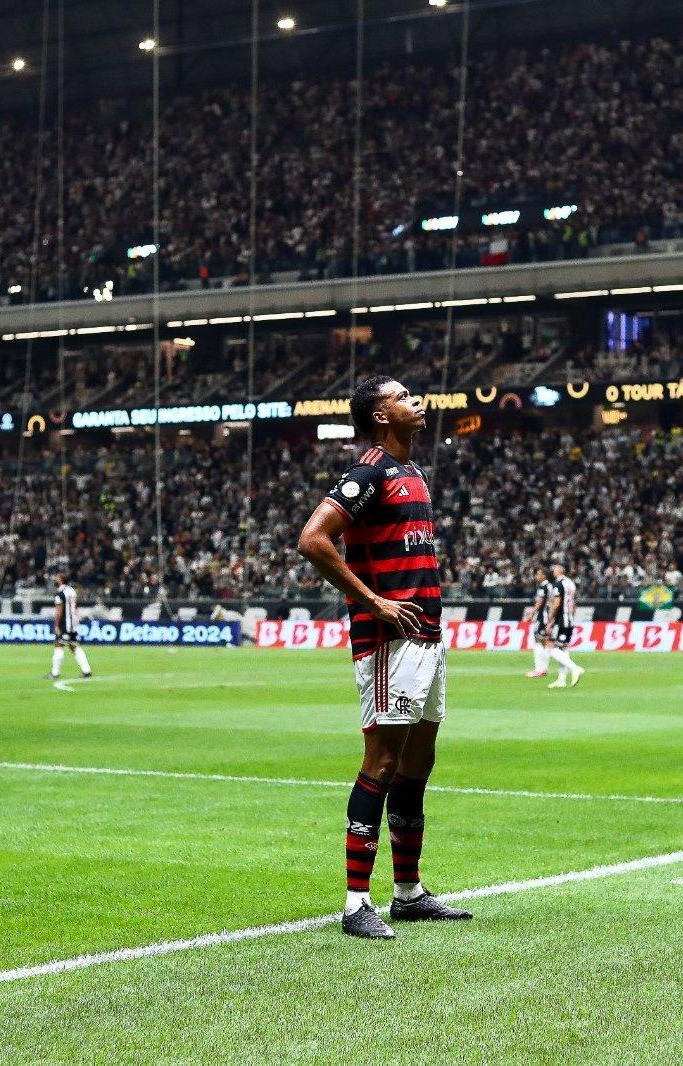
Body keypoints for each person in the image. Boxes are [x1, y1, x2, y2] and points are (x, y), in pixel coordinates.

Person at [298, 374, 472, 939]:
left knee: (418, 765)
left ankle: (408, 893)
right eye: (401, 398)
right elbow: (313, 539)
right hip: (387, 641)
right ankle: (354, 904)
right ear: (380, 416)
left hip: (426, 634)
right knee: (381, 762)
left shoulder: (413, 472)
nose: (415, 402)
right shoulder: (368, 472)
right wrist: (374, 600)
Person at [46, 575, 92, 680]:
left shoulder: (60, 593)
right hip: (74, 622)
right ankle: (86, 670)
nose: (56, 579)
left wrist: (56, 625)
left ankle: (55, 673)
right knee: (74, 645)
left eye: (58, 578)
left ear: (61, 580)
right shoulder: (71, 591)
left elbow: (59, 611)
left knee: (58, 644)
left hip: (65, 623)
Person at [546, 561, 584, 690]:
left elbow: (556, 603)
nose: (553, 571)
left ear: (560, 570)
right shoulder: (571, 583)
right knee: (563, 649)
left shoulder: (559, 584)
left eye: (555, 568)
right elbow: (574, 602)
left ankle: (575, 668)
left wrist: (550, 619)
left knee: (550, 647)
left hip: (560, 620)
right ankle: (561, 680)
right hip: (569, 619)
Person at [522, 565, 553, 677]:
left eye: (538, 574)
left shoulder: (543, 587)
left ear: (544, 575)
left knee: (539, 641)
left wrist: (532, 613)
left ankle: (539, 669)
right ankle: (543, 669)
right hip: (546, 616)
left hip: (542, 617)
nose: (536, 576)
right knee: (543, 642)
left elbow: (540, 602)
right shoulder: (550, 586)